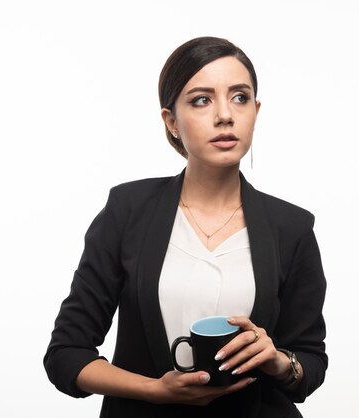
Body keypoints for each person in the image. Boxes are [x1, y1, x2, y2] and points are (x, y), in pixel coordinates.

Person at [44, 36, 328, 418]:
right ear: (171, 121)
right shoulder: (127, 210)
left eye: (240, 97)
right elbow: (66, 355)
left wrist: (277, 360)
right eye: (201, 99)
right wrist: (153, 390)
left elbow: (310, 363)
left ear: (256, 112)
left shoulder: (292, 227)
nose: (225, 114)